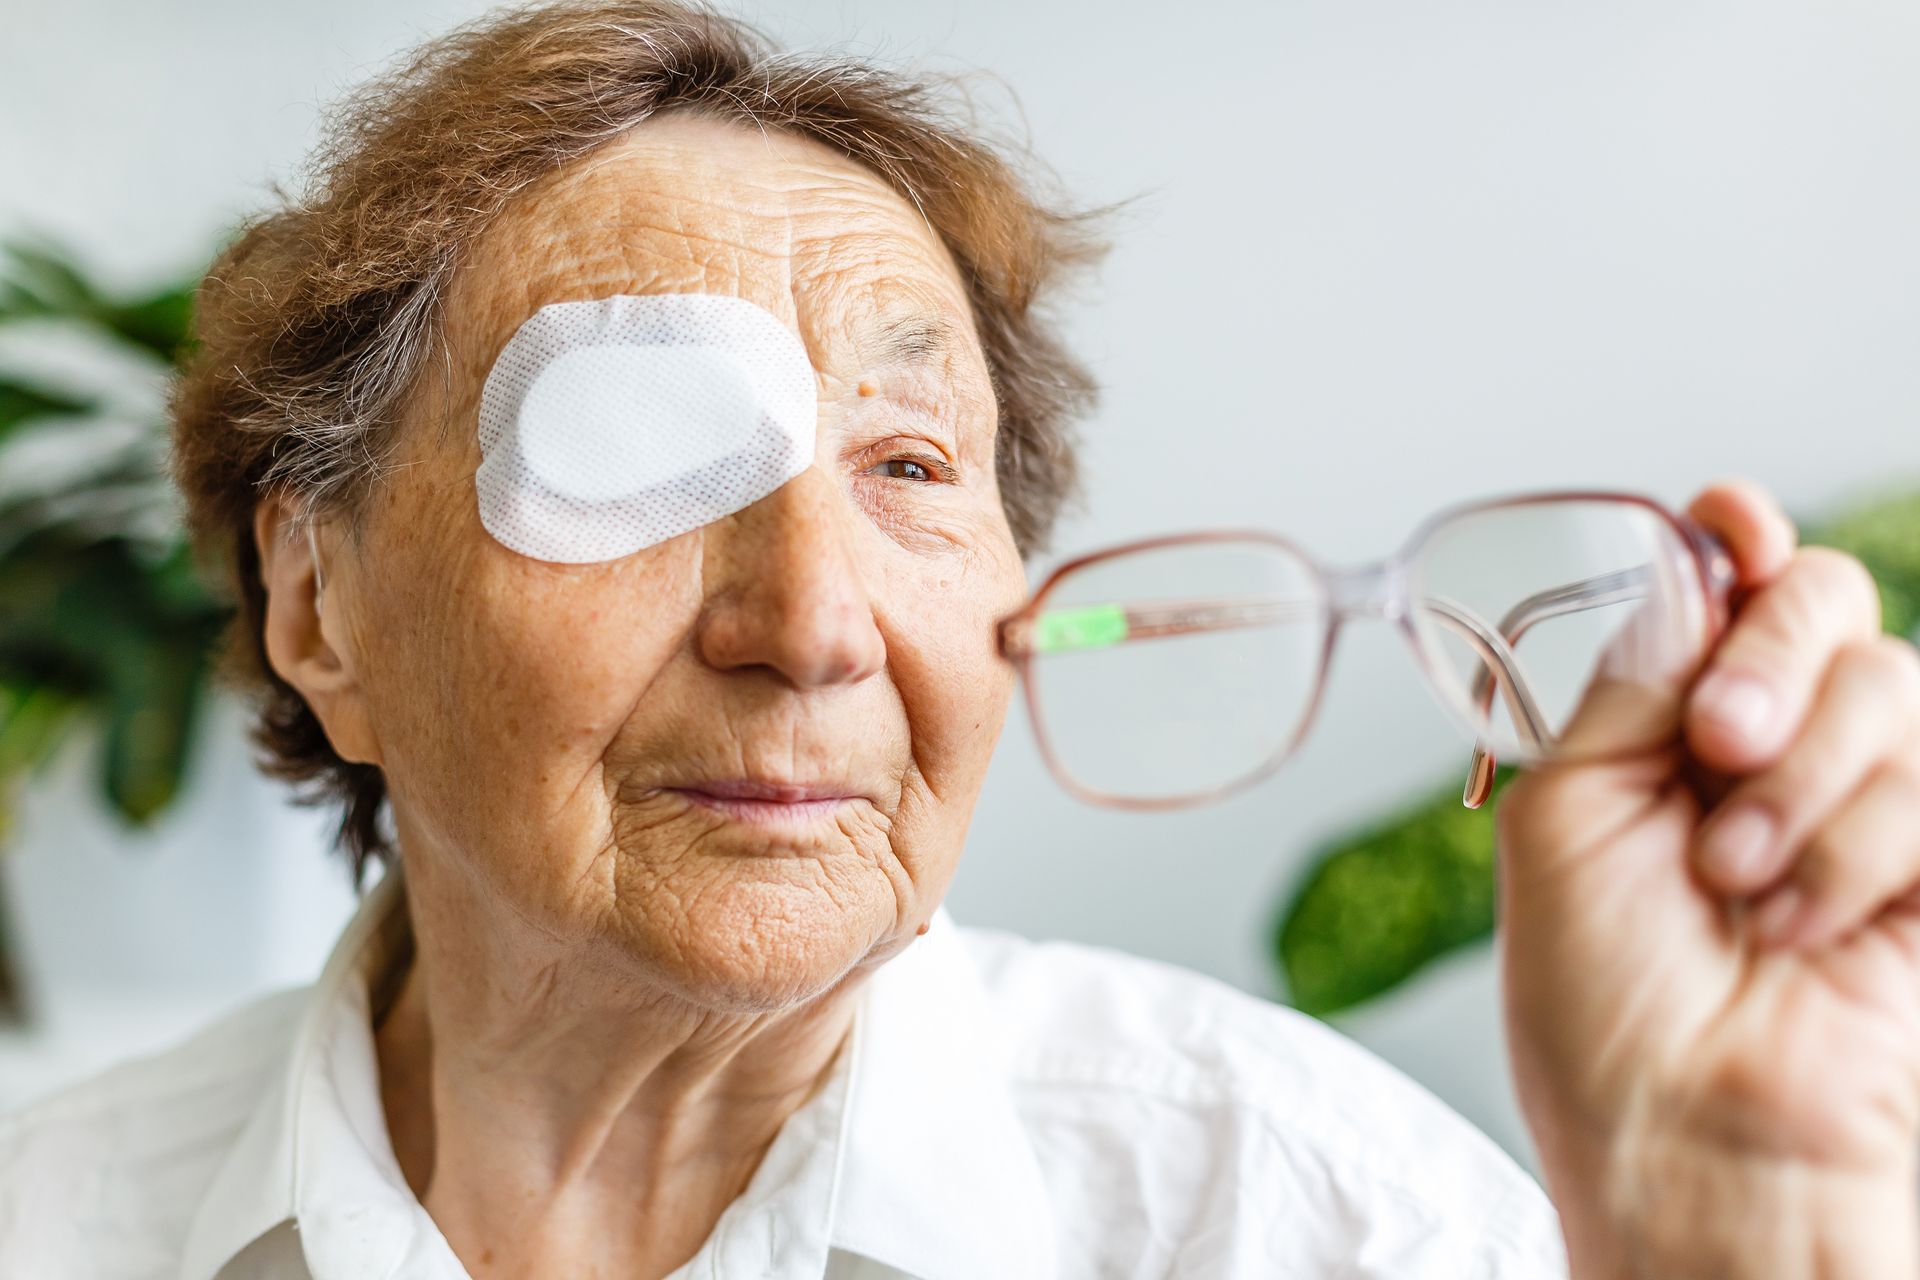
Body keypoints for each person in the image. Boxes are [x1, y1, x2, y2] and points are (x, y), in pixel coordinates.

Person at [5, 3, 1919, 1276]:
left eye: (912, 466)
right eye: (646, 462)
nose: (817, 624)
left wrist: (1754, 1238)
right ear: (321, 604)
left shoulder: (1314, 1224)